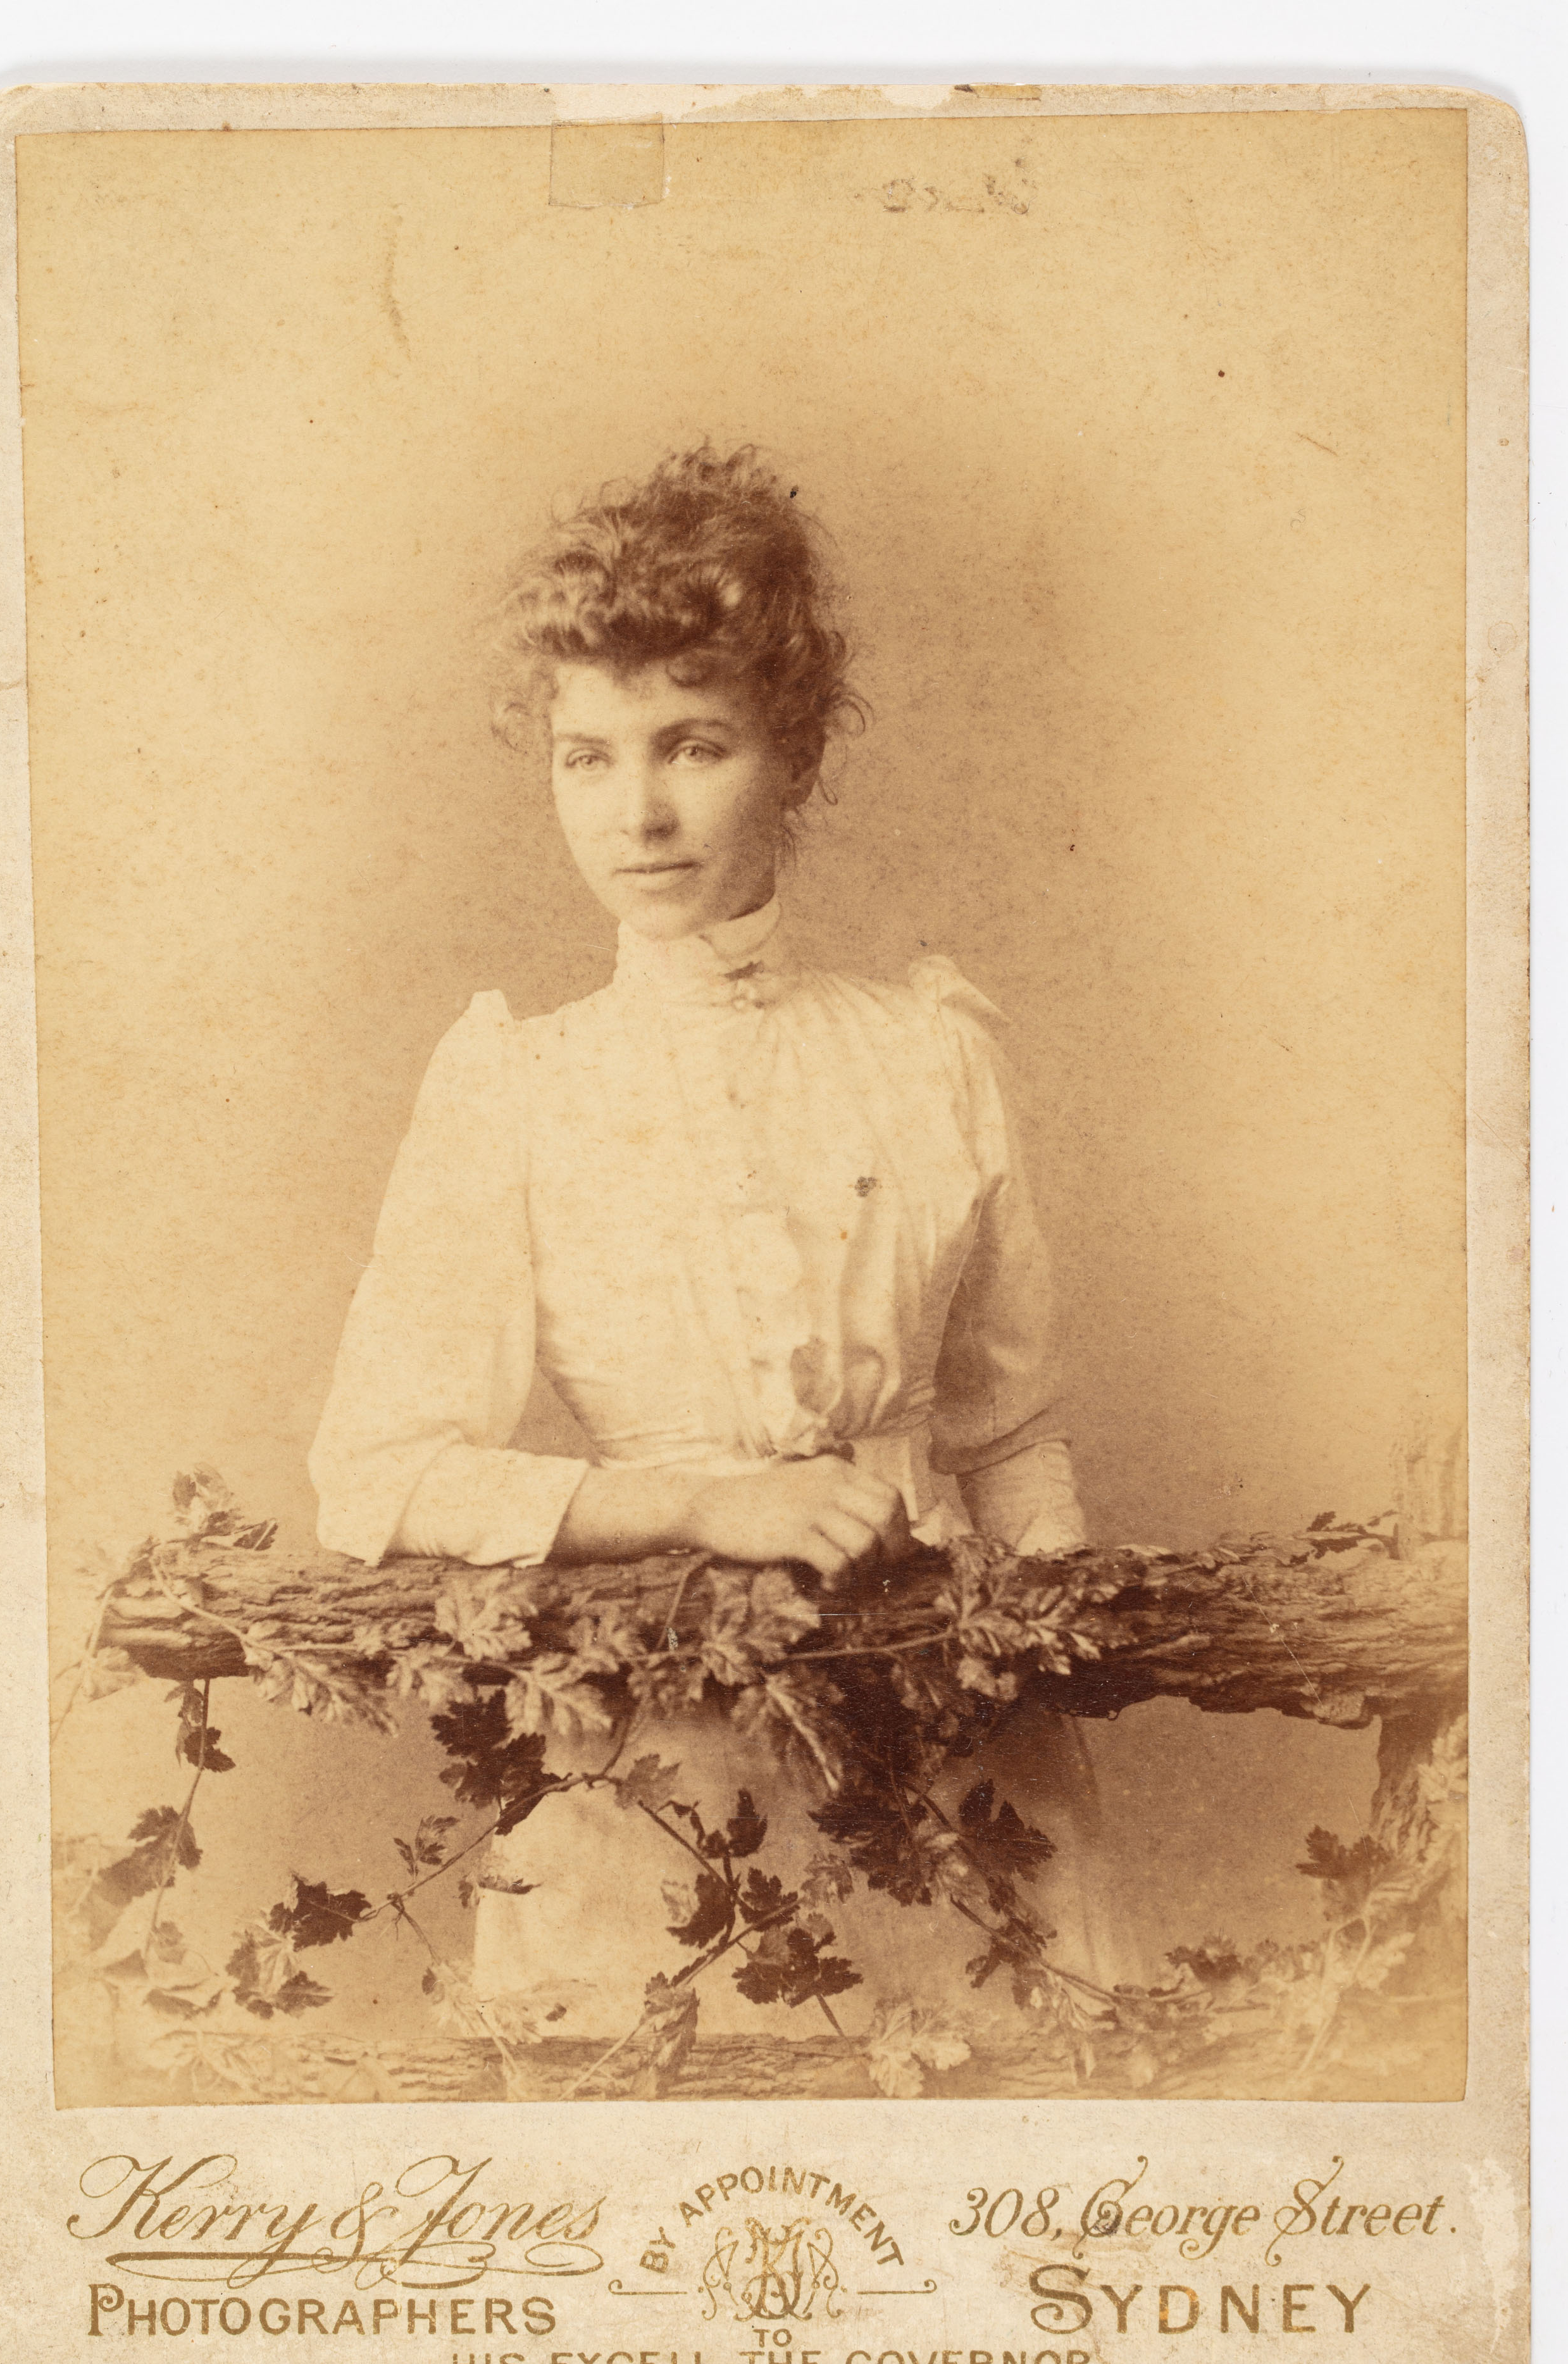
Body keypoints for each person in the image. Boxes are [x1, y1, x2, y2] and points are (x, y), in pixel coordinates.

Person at [310, 447, 1131, 2045]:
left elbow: (1012, 1429)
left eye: (693, 744)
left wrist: (1038, 1652)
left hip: (952, 1744)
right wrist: (698, 1499)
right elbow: (383, 1468)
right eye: (586, 757)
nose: (641, 812)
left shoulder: (928, 1053)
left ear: (793, 750)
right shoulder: (519, 1085)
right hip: (657, 1767)